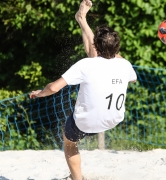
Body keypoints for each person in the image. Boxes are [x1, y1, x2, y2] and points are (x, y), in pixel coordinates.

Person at [29, 0, 137, 179]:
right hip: (114, 119)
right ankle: (82, 19)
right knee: (96, 58)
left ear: (97, 45)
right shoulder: (125, 65)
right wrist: (110, 51)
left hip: (85, 122)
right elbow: (127, 73)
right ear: (117, 49)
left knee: (69, 143)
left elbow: (54, 88)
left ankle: (76, 178)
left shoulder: (85, 65)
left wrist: (40, 93)